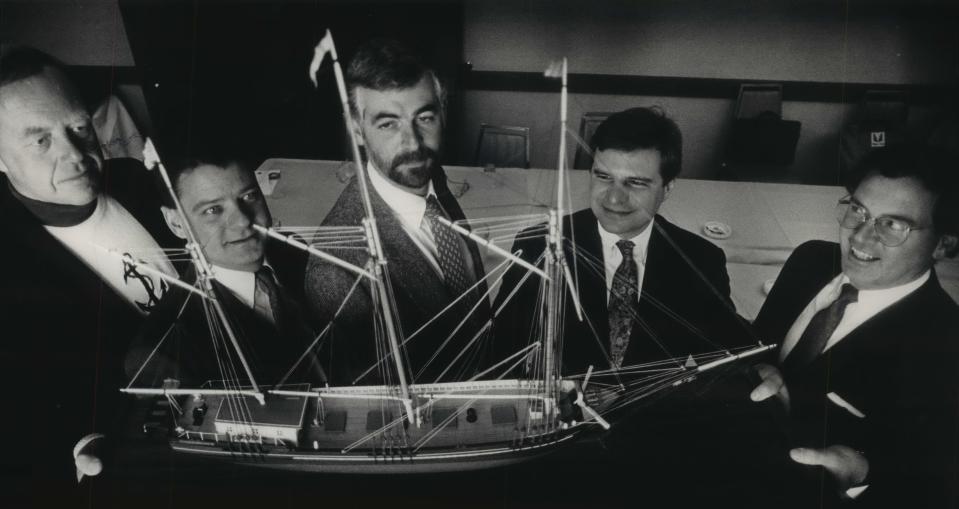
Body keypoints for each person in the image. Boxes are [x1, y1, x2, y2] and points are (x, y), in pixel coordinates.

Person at [0, 47, 178, 503]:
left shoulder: (135, 179)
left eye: (79, 127)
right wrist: (80, 443)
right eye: (40, 140)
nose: (77, 154)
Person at [750, 143, 959, 507]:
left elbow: (933, 484)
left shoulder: (945, 345)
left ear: (943, 244)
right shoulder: (810, 260)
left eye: (893, 225)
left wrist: (861, 474)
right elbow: (756, 343)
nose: (860, 237)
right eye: (858, 210)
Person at [495, 107, 751, 376]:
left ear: (668, 188)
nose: (614, 199)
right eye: (603, 177)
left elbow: (728, 347)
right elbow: (499, 353)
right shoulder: (538, 246)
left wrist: (758, 366)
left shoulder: (702, 261)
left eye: (636, 183)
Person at [304, 39, 491, 386]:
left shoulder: (430, 180)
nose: (413, 142)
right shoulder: (335, 271)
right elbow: (375, 411)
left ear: (443, 112)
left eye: (424, 117)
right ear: (357, 129)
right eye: (388, 124)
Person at [127, 150, 325, 390]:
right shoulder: (164, 350)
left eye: (249, 196)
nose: (242, 221)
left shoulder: (295, 253)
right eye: (213, 210)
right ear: (176, 223)